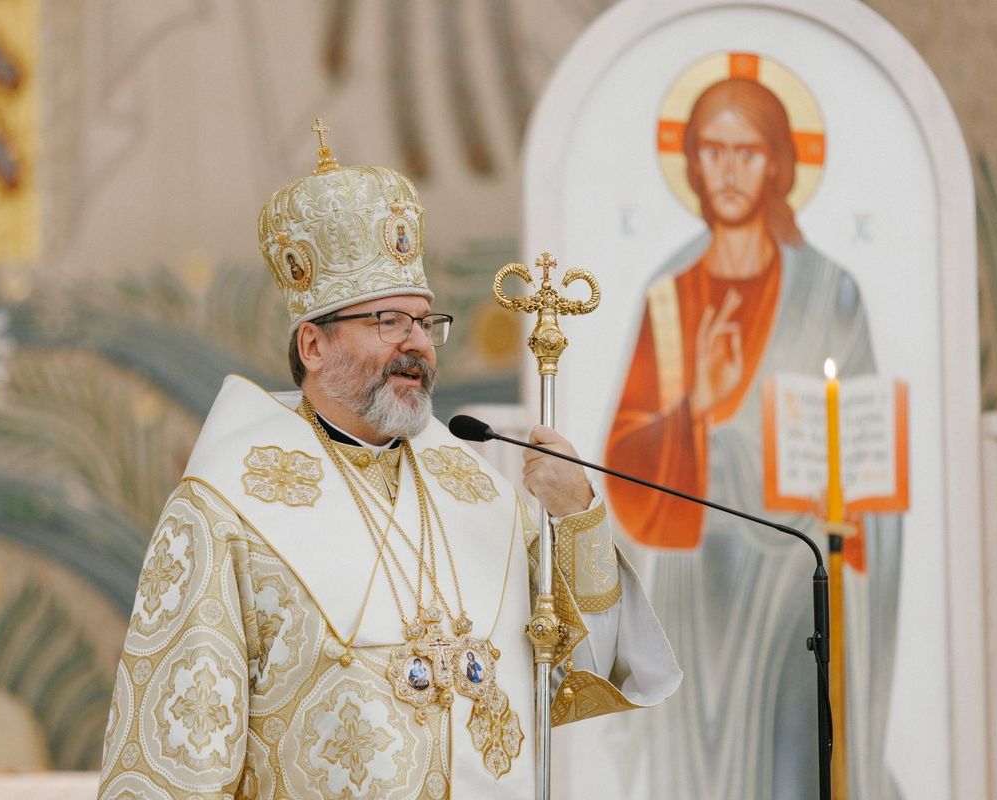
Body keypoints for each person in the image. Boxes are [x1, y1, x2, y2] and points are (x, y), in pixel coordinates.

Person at [96, 125, 680, 800]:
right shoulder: (225, 510)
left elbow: (579, 669)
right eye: (387, 322)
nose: (417, 346)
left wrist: (577, 514)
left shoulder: (473, 490)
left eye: (424, 323)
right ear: (313, 346)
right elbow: (177, 761)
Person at [605, 78, 900, 798]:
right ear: (693, 163)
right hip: (697, 593)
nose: (730, 169)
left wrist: (839, 502)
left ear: (778, 165)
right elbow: (625, 468)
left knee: (795, 766)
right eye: (714, 150)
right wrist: (696, 409)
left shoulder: (831, 292)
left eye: (748, 152)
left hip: (799, 578)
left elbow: (867, 454)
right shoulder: (670, 296)